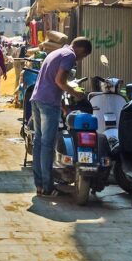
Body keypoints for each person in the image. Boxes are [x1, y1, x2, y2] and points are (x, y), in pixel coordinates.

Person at [30, 36, 92, 197]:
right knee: (46, 145)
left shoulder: (56, 52)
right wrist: (76, 93)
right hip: (48, 102)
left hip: (37, 99)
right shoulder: (69, 56)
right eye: (83, 56)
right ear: (81, 50)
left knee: (38, 142)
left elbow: (50, 80)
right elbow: (59, 80)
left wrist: (63, 106)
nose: (80, 59)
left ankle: (40, 186)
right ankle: (48, 187)